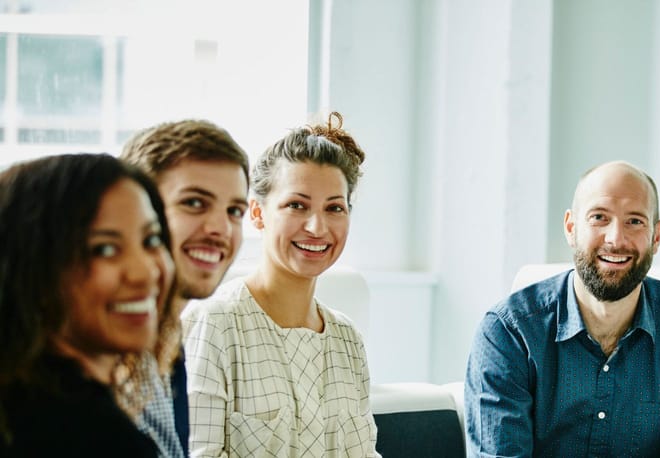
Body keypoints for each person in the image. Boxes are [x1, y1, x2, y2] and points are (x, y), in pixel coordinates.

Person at [465, 161, 660, 457]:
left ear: (656, 237)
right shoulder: (509, 332)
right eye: (599, 217)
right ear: (571, 228)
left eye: (634, 221)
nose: (616, 239)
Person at [182, 113, 379, 457]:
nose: (317, 227)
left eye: (334, 208)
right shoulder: (214, 325)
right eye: (296, 205)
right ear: (257, 213)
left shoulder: (348, 341)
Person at [0, 153, 176, 456]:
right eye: (104, 249)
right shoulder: (91, 436)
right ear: (33, 268)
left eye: (151, 240)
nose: (145, 271)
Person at [121, 119, 250, 457]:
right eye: (194, 203)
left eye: (235, 211)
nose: (220, 228)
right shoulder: (100, 356)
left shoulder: (169, 344)